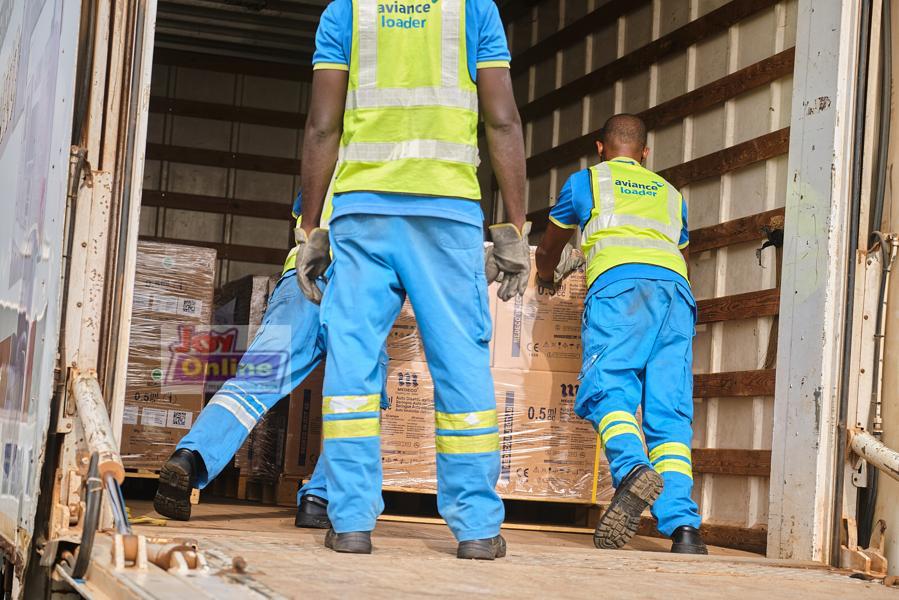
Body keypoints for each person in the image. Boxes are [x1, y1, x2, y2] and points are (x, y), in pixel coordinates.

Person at [293, 0, 529, 559]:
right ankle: (475, 528)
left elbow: (322, 125)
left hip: (362, 214)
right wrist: (514, 226)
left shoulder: (345, 12)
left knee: (352, 360)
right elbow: (502, 119)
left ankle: (350, 522)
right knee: (460, 362)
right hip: (445, 215)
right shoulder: (475, 10)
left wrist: (311, 227)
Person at [153, 191, 389, 530]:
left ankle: (190, 457)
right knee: (357, 400)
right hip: (359, 291)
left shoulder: (331, 162)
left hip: (302, 280)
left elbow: (301, 215)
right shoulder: (396, 175)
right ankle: (319, 498)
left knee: (253, 381)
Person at [535, 114, 707, 555]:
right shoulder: (672, 194)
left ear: (600, 148)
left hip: (619, 289)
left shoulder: (586, 182)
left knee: (609, 390)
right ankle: (684, 530)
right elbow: (677, 249)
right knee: (669, 413)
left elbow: (551, 245)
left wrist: (546, 276)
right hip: (675, 297)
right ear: (645, 154)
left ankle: (631, 470)